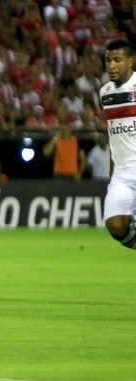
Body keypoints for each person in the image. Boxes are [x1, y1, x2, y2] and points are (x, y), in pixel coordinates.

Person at [99, 39, 136, 250]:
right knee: (115, 225)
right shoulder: (105, 93)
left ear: (130, 61)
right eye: (108, 60)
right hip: (122, 174)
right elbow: (114, 138)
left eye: (117, 60)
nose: (111, 65)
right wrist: (112, 174)